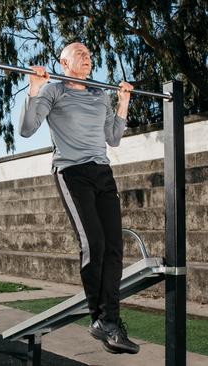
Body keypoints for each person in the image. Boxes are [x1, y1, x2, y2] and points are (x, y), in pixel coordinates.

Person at [18, 42, 139, 354]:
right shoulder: (54, 92)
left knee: (114, 248)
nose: (88, 57)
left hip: (102, 172)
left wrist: (123, 102)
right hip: (72, 173)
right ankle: (100, 318)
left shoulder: (99, 95)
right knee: (94, 243)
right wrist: (33, 90)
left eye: (89, 53)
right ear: (63, 62)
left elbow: (113, 138)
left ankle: (110, 321)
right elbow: (27, 129)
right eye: (80, 53)